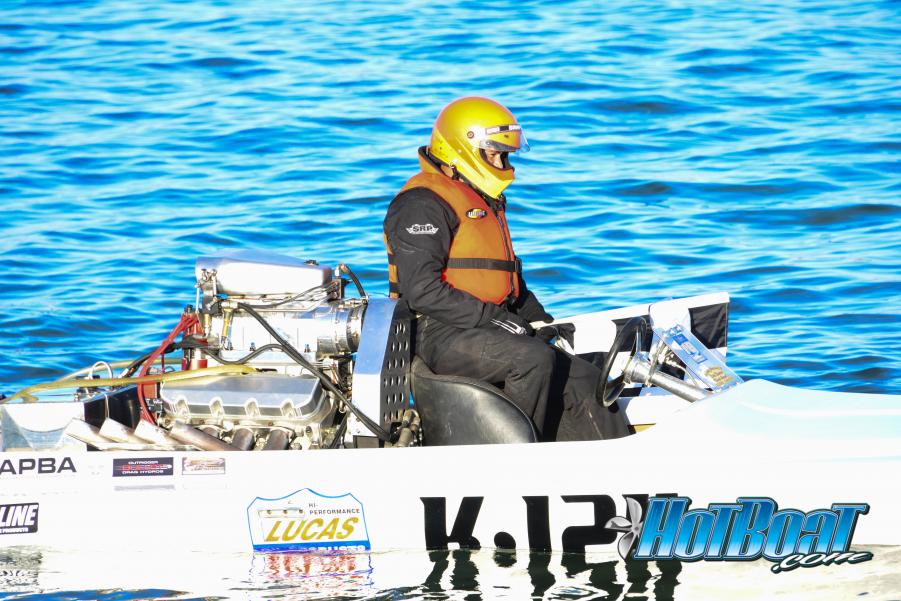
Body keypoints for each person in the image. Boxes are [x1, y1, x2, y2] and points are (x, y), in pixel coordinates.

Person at [383, 96, 629, 441]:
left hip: (483, 323)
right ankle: (513, 456)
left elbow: (507, 280)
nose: (503, 163)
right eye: (495, 154)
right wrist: (498, 320)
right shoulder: (421, 204)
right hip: (436, 331)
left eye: (505, 155)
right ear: (462, 149)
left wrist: (541, 321)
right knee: (531, 360)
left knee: (583, 376)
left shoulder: (481, 198)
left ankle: (612, 460)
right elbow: (422, 291)